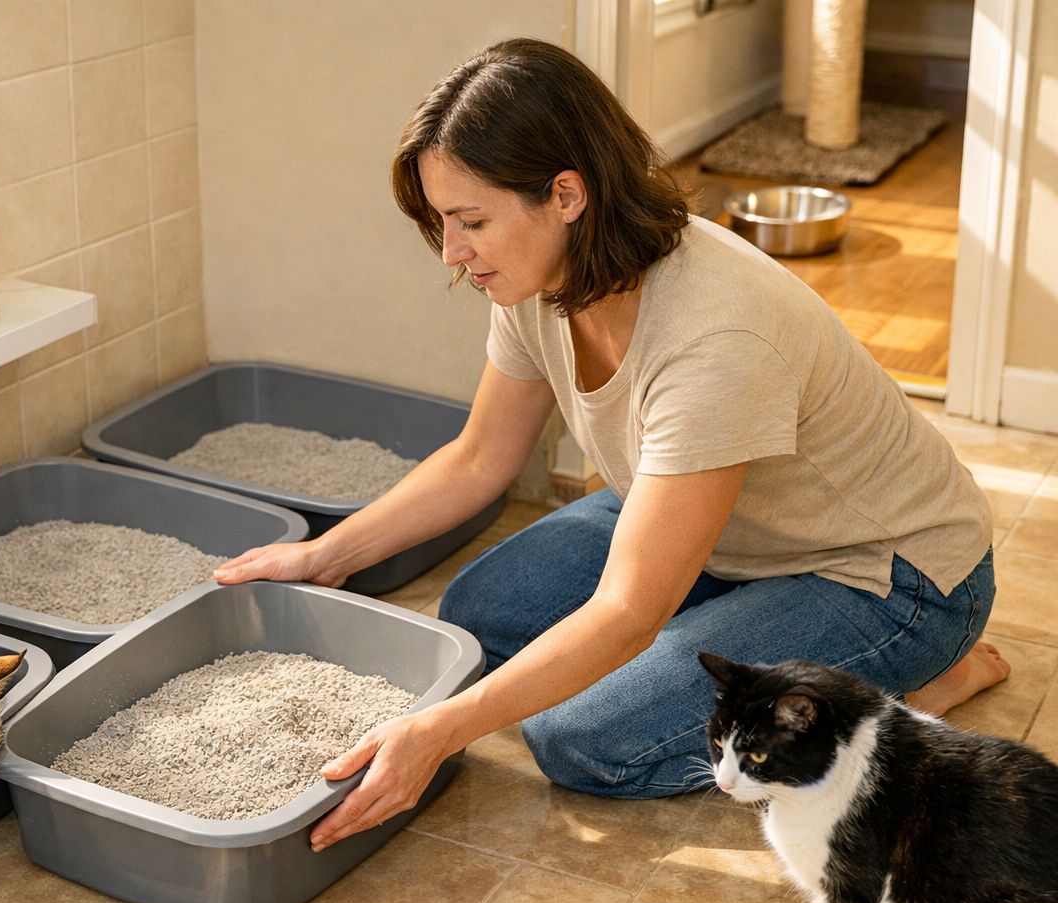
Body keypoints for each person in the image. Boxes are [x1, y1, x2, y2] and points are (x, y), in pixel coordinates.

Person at [212, 37, 1009, 853]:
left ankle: (921, 683)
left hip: (887, 576)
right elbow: (482, 457)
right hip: (734, 533)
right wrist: (321, 555)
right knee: (477, 616)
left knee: (580, 738)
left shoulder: (716, 334)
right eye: (444, 223)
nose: (452, 253)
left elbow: (630, 611)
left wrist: (438, 731)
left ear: (566, 194)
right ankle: (746, 628)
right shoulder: (536, 276)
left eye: (471, 221)